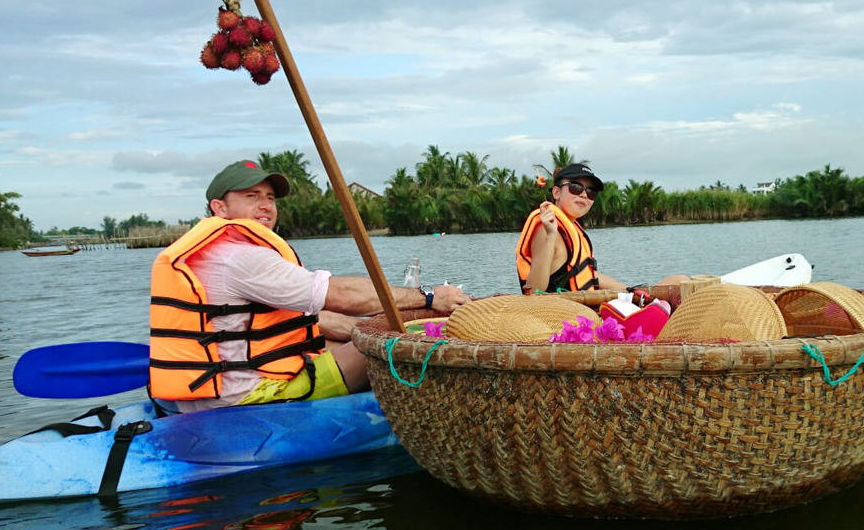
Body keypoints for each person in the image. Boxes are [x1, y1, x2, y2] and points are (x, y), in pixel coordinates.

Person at [149, 159, 469, 413]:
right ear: (219, 208)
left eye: (270, 197)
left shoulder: (208, 250)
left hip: (206, 391)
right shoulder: (240, 257)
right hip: (247, 398)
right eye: (251, 196)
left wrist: (364, 328)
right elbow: (342, 297)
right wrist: (428, 297)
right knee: (390, 347)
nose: (266, 205)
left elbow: (311, 318)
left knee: (352, 337)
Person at [515, 163, 688, 294]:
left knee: (680, 281)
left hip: (587, 307)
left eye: (591, 192)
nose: (584, 194)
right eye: (576, 187)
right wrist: (551, 236)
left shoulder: (571, 228)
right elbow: (534, 290)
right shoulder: (546, 228)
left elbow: (589, 276)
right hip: (564, 319)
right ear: (556, 193)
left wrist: (630, 291)